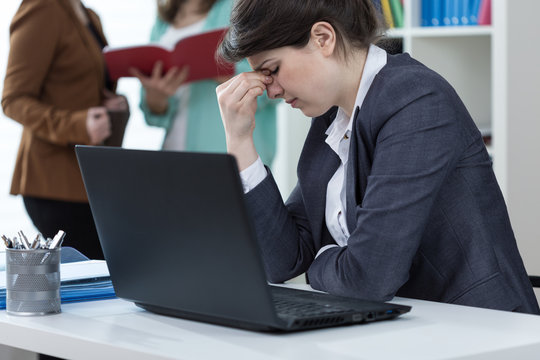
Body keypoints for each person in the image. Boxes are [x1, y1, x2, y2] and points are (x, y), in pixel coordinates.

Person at [215, 0, 540, 314]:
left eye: (272, 70)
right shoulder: (333, 117)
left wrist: (322, 260)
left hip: (477, 328)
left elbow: (367, 280)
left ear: (323, 38)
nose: (270, 91)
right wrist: (240, 140)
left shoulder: (415, 99)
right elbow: (282, 261)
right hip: (402, 326)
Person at [1, 0, 129, 260]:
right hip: (54, 183)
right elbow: (12, 100)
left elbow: (80, 87)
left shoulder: (88, 15)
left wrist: (109, 102)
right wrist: (78, 124)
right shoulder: (42, 8)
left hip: (90, 178)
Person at [131, 0, 277, 166]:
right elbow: (155, 115)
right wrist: (156, 98)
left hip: (227, 158)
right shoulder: (162, 21)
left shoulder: (240, 6)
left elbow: (273, 81)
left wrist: (218, 69)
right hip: (173, 155)